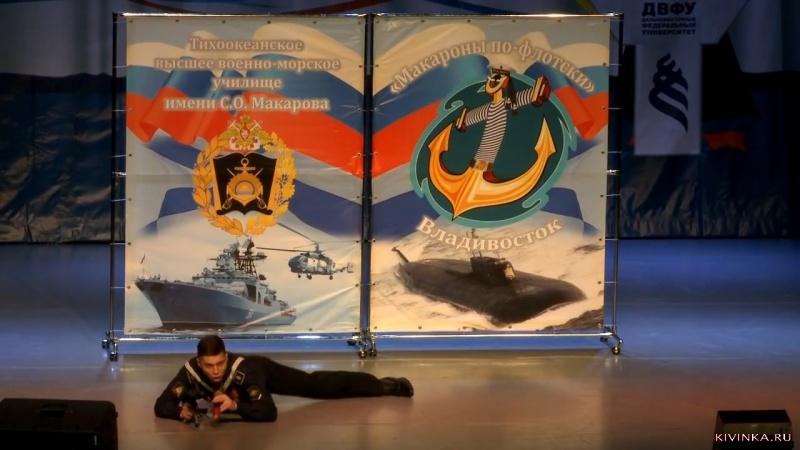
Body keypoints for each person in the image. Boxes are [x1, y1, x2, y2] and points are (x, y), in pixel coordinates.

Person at [154, 335, 414, 423]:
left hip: (264, 373)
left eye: (220, 363)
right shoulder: (189, 372)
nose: (215, 371)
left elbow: (268, 412)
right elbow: (161, 404)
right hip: (236, 393)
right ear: (199, 362)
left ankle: (384, 385)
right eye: (209, 366)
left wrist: (235, 406)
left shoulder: (245, 370)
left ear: (226, 356)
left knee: (315, 385)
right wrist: (180, 412)